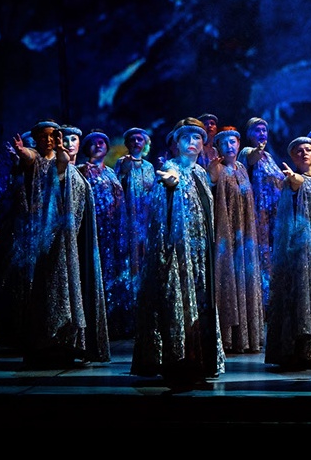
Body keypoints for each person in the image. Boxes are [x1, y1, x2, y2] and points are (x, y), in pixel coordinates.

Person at [131, 123, 223, 383]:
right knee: (179, 300)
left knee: (200, 300)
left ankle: (201, 358)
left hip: (200, 253)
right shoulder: (172, 167)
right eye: (186, 137)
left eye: (197, 137)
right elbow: (168, 186)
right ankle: (179, 359)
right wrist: (171, 183)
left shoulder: (201, 173)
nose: (192, 142)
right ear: (176, 143)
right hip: (178, 253)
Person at [11, 123, 109, 365]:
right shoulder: (48, 166)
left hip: (76, 244)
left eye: (60, 138)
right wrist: (27, 153)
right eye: (58, 139)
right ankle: (54, 343)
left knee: (76, 289)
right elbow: (47, 165)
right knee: (56, 292)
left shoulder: (78, 172)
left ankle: (75, 343)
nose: (63, 143)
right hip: (54, 243)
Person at [264, 136, 311, 371]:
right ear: (293, 157)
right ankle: (298, 349)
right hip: (300, 250)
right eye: (298, 151)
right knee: (300, 294)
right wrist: (294, 179)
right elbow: (296, 183)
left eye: (308, 149)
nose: (303, 153)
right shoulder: (294, 181)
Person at [208, 129, 264, 354]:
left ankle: (246, 337)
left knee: (245, 279)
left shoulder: (241, 168)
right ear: (218, 147)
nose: (229, 146)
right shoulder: (217, 168)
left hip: (245, 235)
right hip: (226, 235)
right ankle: (228, 336)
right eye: (224, 143)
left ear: (239, 144)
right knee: (228, 278)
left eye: (232, 142)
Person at [111, 127, 156, 338]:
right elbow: (116, 188)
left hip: (145, 222)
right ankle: (127, 315)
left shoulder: (149, 167)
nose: (137, 142)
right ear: (127, 143)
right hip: (128, 222)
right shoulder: (122, 163)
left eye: (140, 139)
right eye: (133, 139)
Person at [81, 131, 126, 340]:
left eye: (102, 142)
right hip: (93, 230)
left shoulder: (110, 172)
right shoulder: (82, 171)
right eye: (93, 143)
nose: (98, 146)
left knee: (110, 274)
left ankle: (110, 322)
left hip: (111, 232)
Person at [239, 117, 283, 309]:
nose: (262, 134)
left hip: (275, 213)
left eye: (264, 130)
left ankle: (274, 298)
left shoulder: (269, 157)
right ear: (249, 134)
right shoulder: (247, 152)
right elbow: (251, 159)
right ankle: (261, 301)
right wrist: (258, 150)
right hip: (259, 212)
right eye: (257, 130)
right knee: (261, 253)